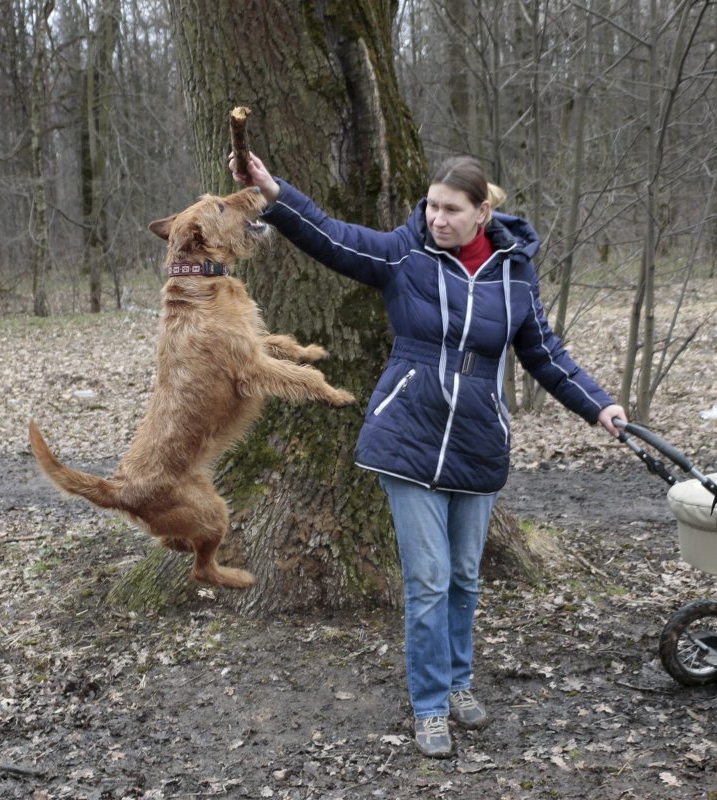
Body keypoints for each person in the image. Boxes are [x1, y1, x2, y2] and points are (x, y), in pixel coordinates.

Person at [230, 152, 627, 758]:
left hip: (477, 438)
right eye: (432, 206)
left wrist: (598, 406)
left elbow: (544, 353)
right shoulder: (403, 253)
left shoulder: (514, 272)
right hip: (407, 436)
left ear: (482, 212)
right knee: (429, 580)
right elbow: (334, 238)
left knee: (466, 576)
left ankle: (461, 680)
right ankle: (431, 704)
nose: (436, 218)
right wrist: (275, 193)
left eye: (450, 209)